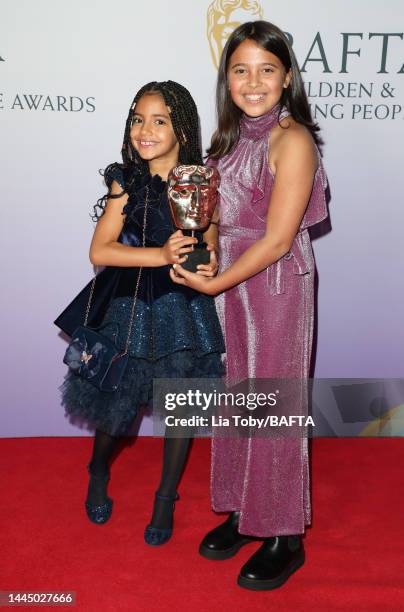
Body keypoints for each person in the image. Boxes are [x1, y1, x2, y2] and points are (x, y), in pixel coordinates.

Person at [170, 21, 328, 589]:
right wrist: (205, 255)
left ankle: (286, 535)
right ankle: (246, 509)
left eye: (267, 69)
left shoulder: (294, 139)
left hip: (277, 283)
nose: (253, 81)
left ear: (287, 77)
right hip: (234, 280)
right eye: (241, 69)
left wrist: (215, 283)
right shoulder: (228, 138)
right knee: (239, 392)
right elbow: (215, 215)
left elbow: (279, 238)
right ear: (227, 78)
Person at [54, 81, 225, 546]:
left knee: (182, 408)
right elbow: (100, 250)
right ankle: (97, 471)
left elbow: (208, 240)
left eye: (158, 120)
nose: (144, 130)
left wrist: (208, 259)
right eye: (137, 119)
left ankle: (165, 499)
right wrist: (160, 254)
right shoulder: (125, 180)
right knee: (116, 405)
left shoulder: (201, 180)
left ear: (182, 130)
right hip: (128, 307)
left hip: (185, 307)